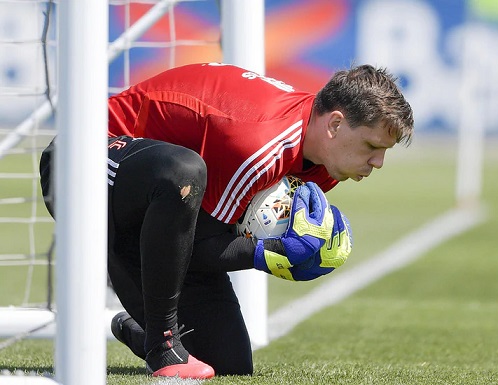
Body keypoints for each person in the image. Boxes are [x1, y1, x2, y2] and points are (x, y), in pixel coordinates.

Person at [39, 62, 414, 379]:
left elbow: (208, 233)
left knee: (230, 364)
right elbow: (196, 246)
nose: (378, 163)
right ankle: (161, 343)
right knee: (183, 173)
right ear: (334, 125)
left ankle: (138, 325)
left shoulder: (326, 163)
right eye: (372, 147)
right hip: (81, 163)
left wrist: (289, 247)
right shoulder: (262, 146)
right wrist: (270, 254)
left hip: (160, 205)